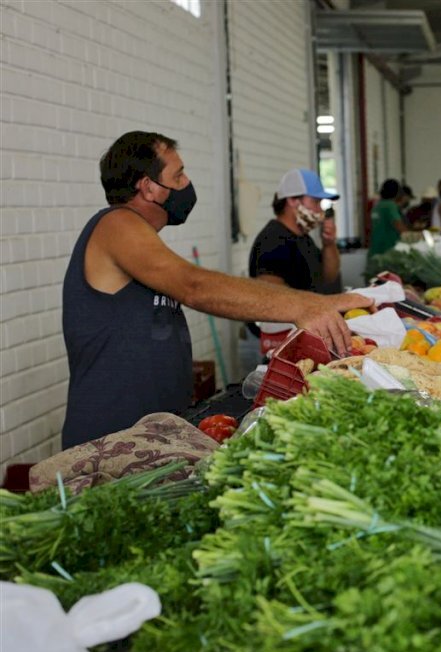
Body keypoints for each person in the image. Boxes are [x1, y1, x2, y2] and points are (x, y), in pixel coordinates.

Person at [62, 131, 371, 448]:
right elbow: (195, 286)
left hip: (146, 437)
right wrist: (306, 307)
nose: (186, 183)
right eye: (178, 175)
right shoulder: (116, 224)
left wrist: (318, 303)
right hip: (109, 440)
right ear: (149, 187)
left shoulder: (140, 238)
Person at [249, 168, 341, 295]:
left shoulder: (303, 238)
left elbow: (328, 278)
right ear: (292, 200)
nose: (320, 210)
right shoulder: (273, 241)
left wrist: (329, 244)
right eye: (316, 202)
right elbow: (271, 296)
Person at [368, 179, 407, 256]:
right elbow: (399, 226)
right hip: (388, 251)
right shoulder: (390, 206)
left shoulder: (377, 206)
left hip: (375, 251)